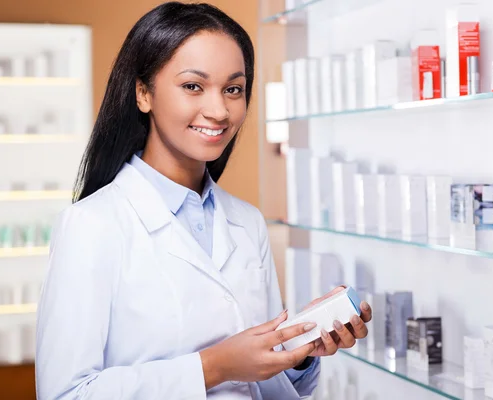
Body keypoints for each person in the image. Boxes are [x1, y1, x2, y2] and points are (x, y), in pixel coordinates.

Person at [35, 2, 372, 399]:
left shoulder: (247, 222)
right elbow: (65, 393)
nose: (218, 110)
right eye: (193, 86)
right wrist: (213, 367)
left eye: (233, 89)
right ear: (143, 92)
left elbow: (259, 382)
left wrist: (298, 352)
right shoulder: (92, 224)